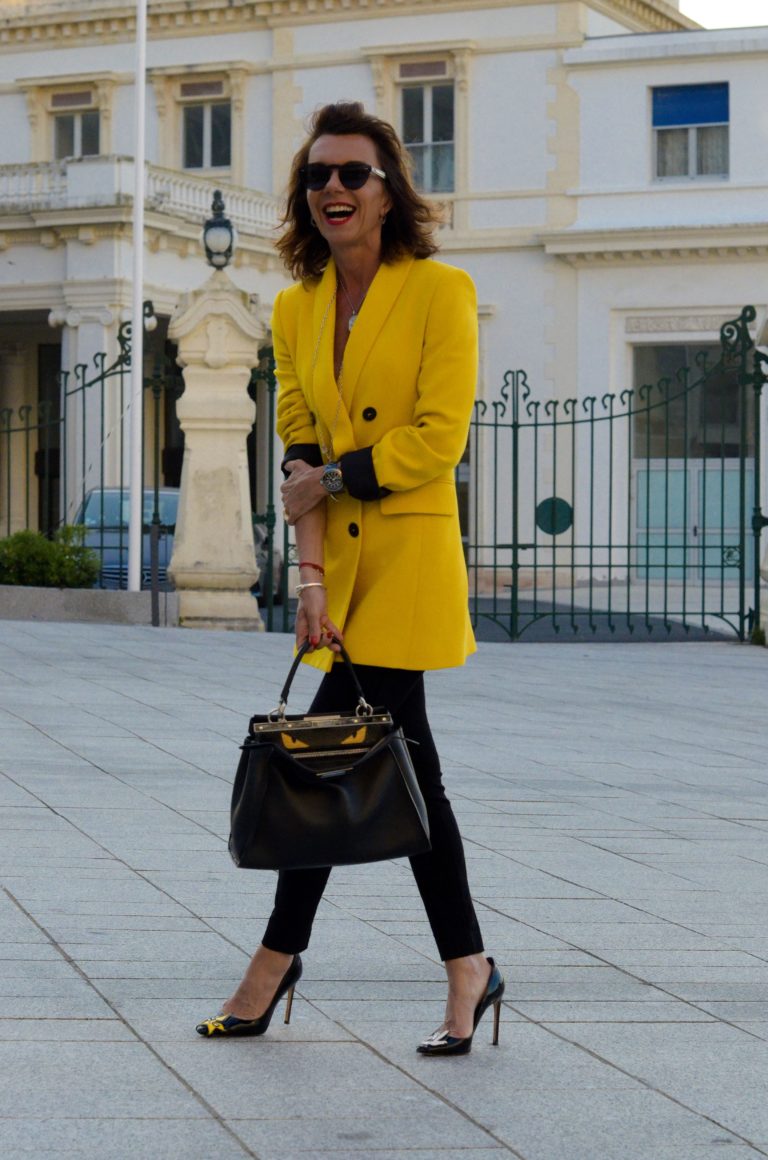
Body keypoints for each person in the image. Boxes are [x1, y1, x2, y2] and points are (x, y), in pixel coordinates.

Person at [196, 101, 504, 1055]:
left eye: (352, 173)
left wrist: (328, 479)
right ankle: (468, 967)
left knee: (333, 756)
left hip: (408, 563)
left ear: (387, 190)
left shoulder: (441, 291)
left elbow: (437, 439)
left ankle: (277, 961)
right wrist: (312, 581)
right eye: (316, 174)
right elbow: (298, 437)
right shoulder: (295, 306)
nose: (332, 187)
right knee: (400, 772)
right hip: (341, 569)